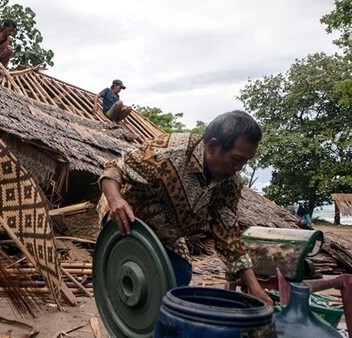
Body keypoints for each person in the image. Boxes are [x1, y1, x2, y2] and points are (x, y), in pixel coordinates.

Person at [98, 110, 274, 305]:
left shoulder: (228, 184)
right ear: (213, 146)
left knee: (180, 272)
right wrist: (115, 200)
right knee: (132, 277)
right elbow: (114, 168)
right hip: (127, 222)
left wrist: (255, 287)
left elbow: (228, 236)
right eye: (236, 159)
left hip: (167, 232)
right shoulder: (166, 153)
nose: (239, 168)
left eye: (245, 162)